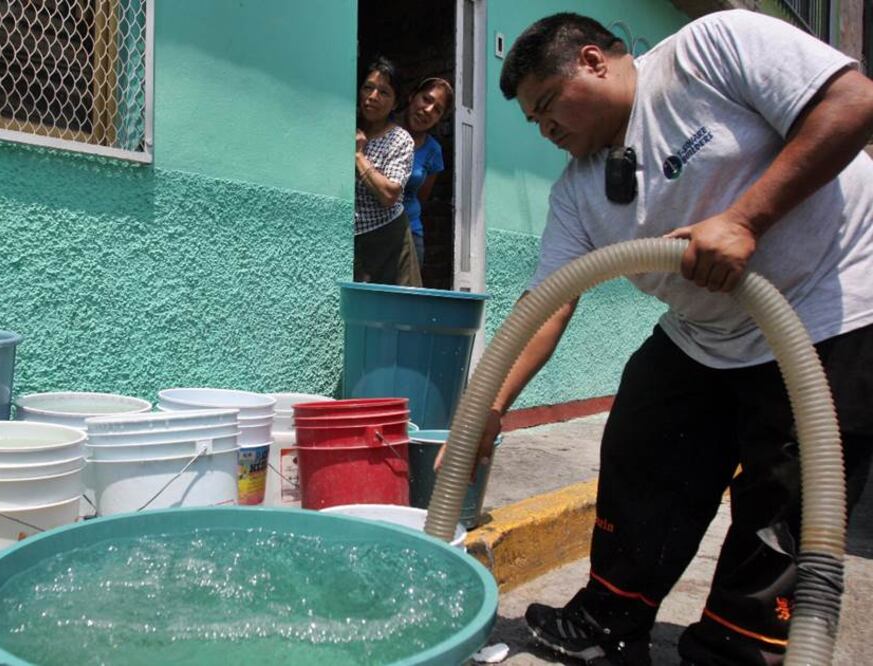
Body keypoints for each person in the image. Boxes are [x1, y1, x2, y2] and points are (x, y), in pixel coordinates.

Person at [470, 10, 873, 665]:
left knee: (786, 496)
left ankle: (737, 649)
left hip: (833, 302)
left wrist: (746, 219)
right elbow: (548, 301)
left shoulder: (710, 49)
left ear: (594, 62)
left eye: (547, 105)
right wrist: (486, 409)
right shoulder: (578, 192)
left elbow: (853, 102)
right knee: (644, 441)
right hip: (706, 332)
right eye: (533, 123)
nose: (545, 131)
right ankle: (610, 617)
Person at [354, 57, 422, 286]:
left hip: (390, 241)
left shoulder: (399, 139)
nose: (373, 97)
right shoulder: (346, 127)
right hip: (353, 242)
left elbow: (389, 195)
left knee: (399, 314)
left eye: (384, 92)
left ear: (395, 103)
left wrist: (358, 156)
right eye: (368, 88)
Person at [400, 77, 453, 268]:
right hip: (371, 228)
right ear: (412, 96)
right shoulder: (382, 127)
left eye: (437, 110)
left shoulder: (433, 151)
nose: (428, 110)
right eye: (426, 99)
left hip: (409, 232)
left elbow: (421, 197)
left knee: (407, 297)